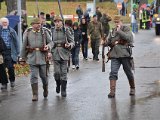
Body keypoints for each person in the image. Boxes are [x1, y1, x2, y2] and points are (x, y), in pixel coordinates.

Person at [19, 18, 52, 101]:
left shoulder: (44, 33)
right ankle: (35, 94)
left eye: (40, 23)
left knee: (44, 77)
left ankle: (45, 88)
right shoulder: (28, 33)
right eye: (37, 23)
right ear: (32, 24)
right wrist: (22, 57)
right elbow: (23, 46)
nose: (39, 25)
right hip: (32, 58)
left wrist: (48, 46)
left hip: (43, 58)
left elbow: (52, 42)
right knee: (33, 76)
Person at [103, 15, 135, 98]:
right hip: (115, 55)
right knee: (113, 73)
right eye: (115, 22)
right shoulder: (112, 31)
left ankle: (132, 88)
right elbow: (109, 41)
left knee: (128, 72)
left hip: (124, 54)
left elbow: (128, 38)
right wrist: (105, 42)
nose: (117, 23)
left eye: (118, 22)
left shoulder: (126, 29)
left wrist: (119, 31)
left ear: (121, 22)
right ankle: (112, 91)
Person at [48, 16, 74, 97]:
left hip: (64, 53)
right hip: (55, 53)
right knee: (57, 73)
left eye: (59, 22)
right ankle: (58, 84)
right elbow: (50, 42)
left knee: (64, 73)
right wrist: (49, 49)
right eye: (56, 22)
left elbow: (72, 42)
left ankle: (63, 90)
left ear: (62, 22)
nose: (57, 23)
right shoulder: (52, 31)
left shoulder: (66, 30)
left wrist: (69, 45)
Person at [0, 17, 20, 89]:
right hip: (1, 52)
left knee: (10, 67)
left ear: (8, 23)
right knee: (1, 69)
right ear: (1, 23)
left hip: (9, 51)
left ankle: (12, 80)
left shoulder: (12, 31)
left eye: (5, 22)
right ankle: (4, 83)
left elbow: (16, 42)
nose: (4, 23)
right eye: (3, 22)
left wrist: (18, 53)